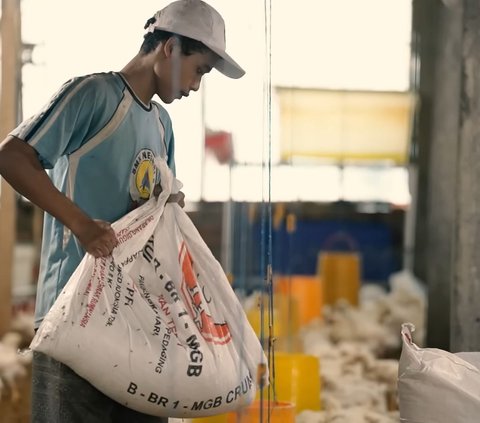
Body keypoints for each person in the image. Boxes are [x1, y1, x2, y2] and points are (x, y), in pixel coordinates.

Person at [0, 0, 244, 421]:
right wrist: (81, 224)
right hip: (73, 320)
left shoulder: (163, 126)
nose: (197, 85)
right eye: (199, 69)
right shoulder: (94, 95)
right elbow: (13, 156)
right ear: (169, 49)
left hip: (140, 328)